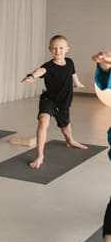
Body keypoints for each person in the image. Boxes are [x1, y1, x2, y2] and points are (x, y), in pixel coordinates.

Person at [21, 35, 87, 169]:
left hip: (64, 103)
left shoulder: (70, 62)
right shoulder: (48, 66)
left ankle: (70, 141)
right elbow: (41, 71)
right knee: (43, 122)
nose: (58, 51)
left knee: (65, 127)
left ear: (67, 49)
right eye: (54, 48)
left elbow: (73, 74)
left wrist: (78, 83)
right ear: (50, 49)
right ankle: (40, 156)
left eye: (61, 48)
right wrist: (32, 76)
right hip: (49, 100)